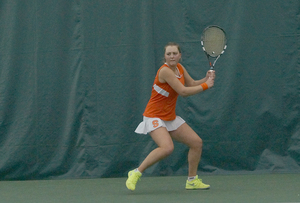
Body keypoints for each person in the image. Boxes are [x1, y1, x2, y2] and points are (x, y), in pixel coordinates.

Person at [126, 42, 215, 191]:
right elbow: (184, 91)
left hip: (169, 116)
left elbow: (191, 83)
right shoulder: (165, 71)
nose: (172, 56)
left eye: (175, 53)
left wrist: (206, 80)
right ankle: (136, 172)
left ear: (180, 55)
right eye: (169, 54)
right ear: (165, 57)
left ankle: (192, 181)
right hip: (154, 116)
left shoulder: (180, 68)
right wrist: (207, 86)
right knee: (167, 148)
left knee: (196, 143)